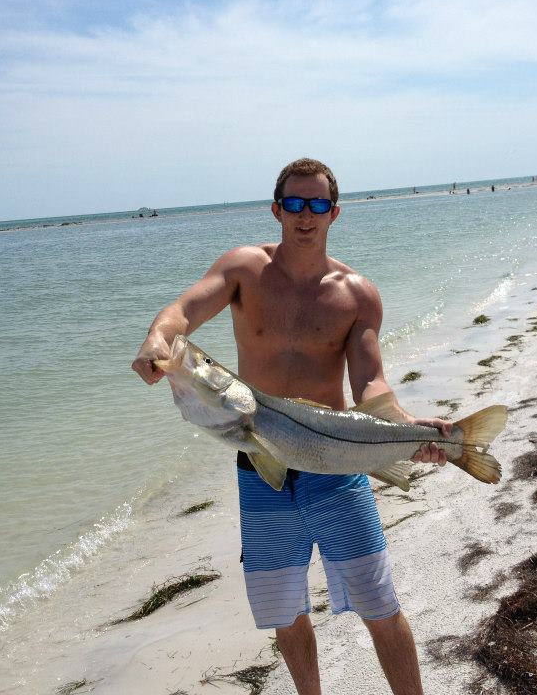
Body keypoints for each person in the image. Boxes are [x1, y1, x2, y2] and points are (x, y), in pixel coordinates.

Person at [132, 157, 450, 695]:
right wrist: (159, 340)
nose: (307, 215)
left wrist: (408, 430)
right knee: (283, 604)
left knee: (377, 600)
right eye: (296, 204)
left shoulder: (357, 294)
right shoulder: (243, 269)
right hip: (260, 465)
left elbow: (369, 382)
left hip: (335, 463)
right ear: (277, 210)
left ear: (335, 213)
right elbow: (182, 311)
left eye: (318, 204)